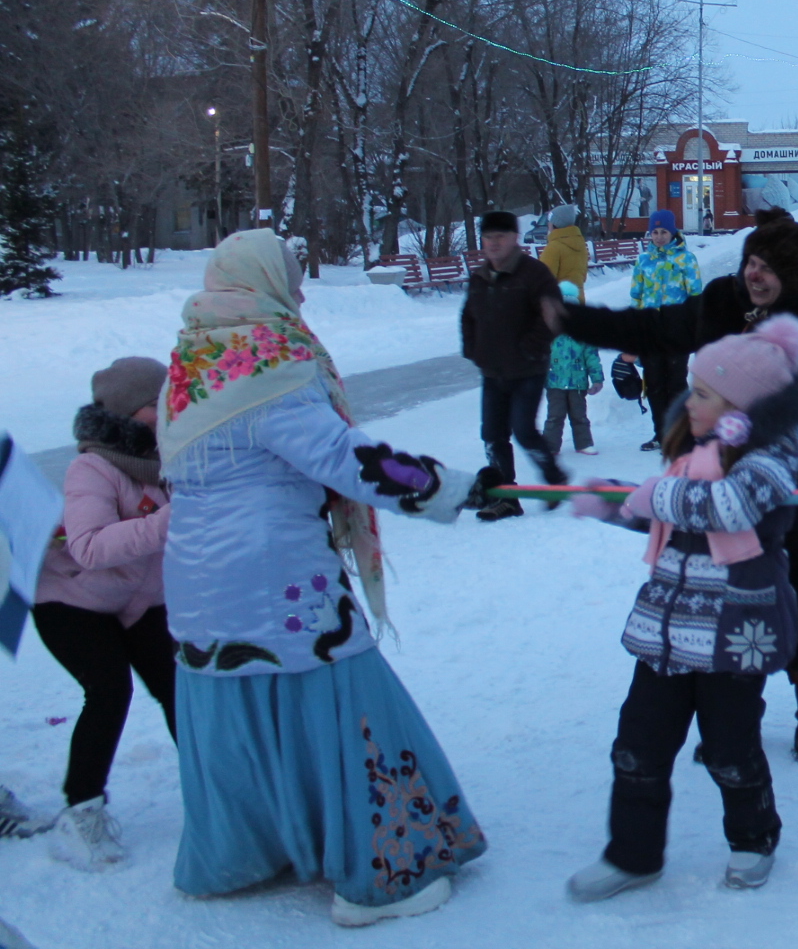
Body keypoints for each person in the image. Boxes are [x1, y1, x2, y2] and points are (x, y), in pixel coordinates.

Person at [159, 229, 493, 928]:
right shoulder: (270, 362)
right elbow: (344, 457)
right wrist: (450, 487)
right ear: (263, 282)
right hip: (275, 573)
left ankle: (246, 850)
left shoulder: (190, 361)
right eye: (292, 277)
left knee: (237, 707)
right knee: (340, 699)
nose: (302, 292)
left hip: (195, 578)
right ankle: (382, 876)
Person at [552, 209, 798, 764]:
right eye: (751, 262)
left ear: (797, 276)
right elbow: (652, 328)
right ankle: (732, 720)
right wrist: (573, 321)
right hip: (718, 481)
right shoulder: (719, 302)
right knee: (725, 602)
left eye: (768, 268)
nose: (754, 274)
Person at [563, 315, 798, 901]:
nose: (688, 401)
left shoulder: (771, 461)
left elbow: (729, 509)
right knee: (637, 747)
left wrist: (651, 495)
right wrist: (612, 503)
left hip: (731, 635)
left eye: (703, 392)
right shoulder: (695, 457)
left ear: (742, 408)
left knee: (731, 751)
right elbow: (672, 518)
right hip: (667, 632)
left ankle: (753, 839)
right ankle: (633, 854)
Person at [31, 357, 176, 870]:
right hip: (70, 601)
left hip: (138, 601)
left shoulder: (172, 454)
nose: (172, 407)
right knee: (110, 690)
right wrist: (169, 519)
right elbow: (89, 548)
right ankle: (80, 813)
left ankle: (222, 791)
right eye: (159, 402)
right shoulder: (90, 467)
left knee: (182, 686)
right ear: (132, 412)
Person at [462, 211, 567, 521]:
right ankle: (506, 496)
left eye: (500, 237)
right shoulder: (480, 278)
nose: (494, 243)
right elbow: (467, 317)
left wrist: (530, 347)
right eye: (488, 237)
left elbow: (552, 315)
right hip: (492, 371)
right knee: (493, 435)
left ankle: (554, 477)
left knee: (523, 430)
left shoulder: (534, 274)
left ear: (514, 238)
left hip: (527, 370)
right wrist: (474, 349)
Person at [628, 208, 704, 452]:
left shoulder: (686, 259)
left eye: (663, 232)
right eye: (654, 232)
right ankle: (660, 434)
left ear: (673, 232)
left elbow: (695, 296)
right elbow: (636, 297)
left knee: (676, 383)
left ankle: (680, 433)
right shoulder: (643, 261)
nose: (659, 237)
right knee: (654, 384)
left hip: (677, 332)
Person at [544, 282, 603, 457]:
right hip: (555, 381)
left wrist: (597, 378)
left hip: (578, 382)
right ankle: (550, 446)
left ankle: (584, 443)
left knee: (579, 416)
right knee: (555, 416)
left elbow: (591, 355)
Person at [539, 203, 589, 295]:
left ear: (555, 224)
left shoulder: (554, 248)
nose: (548, 224)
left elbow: (543, 282)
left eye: (549, 221)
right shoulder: (581, 245)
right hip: (578, 300)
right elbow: (583, 277)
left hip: (558, 303)